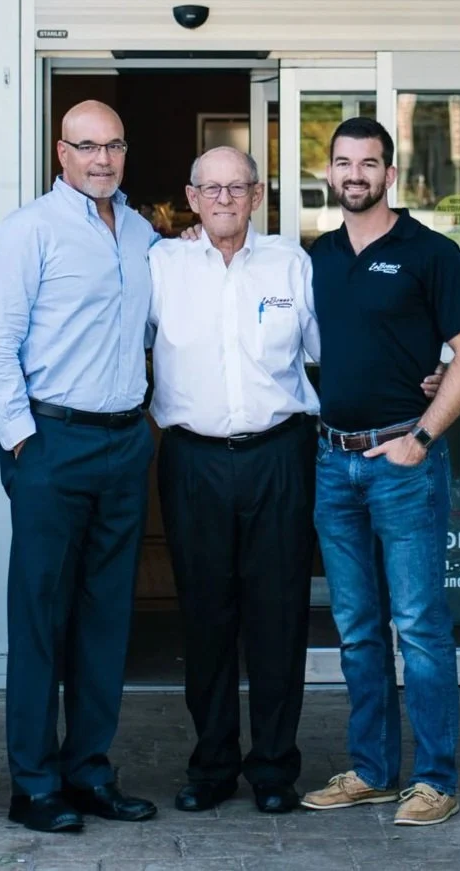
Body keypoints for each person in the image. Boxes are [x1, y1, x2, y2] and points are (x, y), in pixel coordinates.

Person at [0, 100, 159, 835]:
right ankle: (34, 784)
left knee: (106, 618)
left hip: (122, 443)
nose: (102, 159)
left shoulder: (142, 233)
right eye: (87, 146)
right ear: (61, 151)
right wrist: (24, 442)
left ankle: (88, 772)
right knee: (41, 618)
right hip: (52, 441)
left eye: (113, 145)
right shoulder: (28, 232)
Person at [299, 116, 460, 829]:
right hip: (333, 460)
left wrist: (421, 435)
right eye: (344, 162)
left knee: (418, 624)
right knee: (355, 628)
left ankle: (436, 776)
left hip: (402, 463)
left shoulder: (430, 252)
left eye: (368, 162)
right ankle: (375, 770)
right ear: (330, 171)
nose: (355, 174)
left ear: (389, 173)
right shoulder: (316, 256)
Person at [148, 145, 319, 816]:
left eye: (236, 186)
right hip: (193, 459)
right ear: (191, 198)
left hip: (280, 454)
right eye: (210, 188)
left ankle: (275, 768)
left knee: (278, 617)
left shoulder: (290, 263)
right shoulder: (160, 264)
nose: (223, 198)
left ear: (256, 194)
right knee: (205, 617)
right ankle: (213, 763)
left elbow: (328, 349)